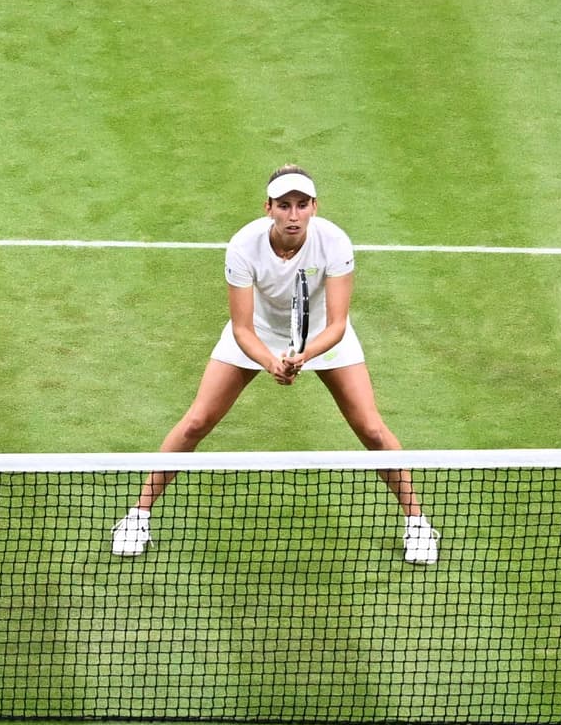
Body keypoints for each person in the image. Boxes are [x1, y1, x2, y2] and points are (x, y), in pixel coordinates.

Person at [112, 167, 435, 565]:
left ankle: (417, 523)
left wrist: (304, 355)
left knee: (371, 429)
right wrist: (272, 362)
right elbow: (241, 327)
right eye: (284, 205)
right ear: (269, 208)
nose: (294, 215)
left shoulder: (334, 243)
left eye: (302, 205)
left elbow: (336, 324)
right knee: (196, 422)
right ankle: (138, 515)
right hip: (257, 335)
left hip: (323, 338)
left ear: (314, 207)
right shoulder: (243, 246)